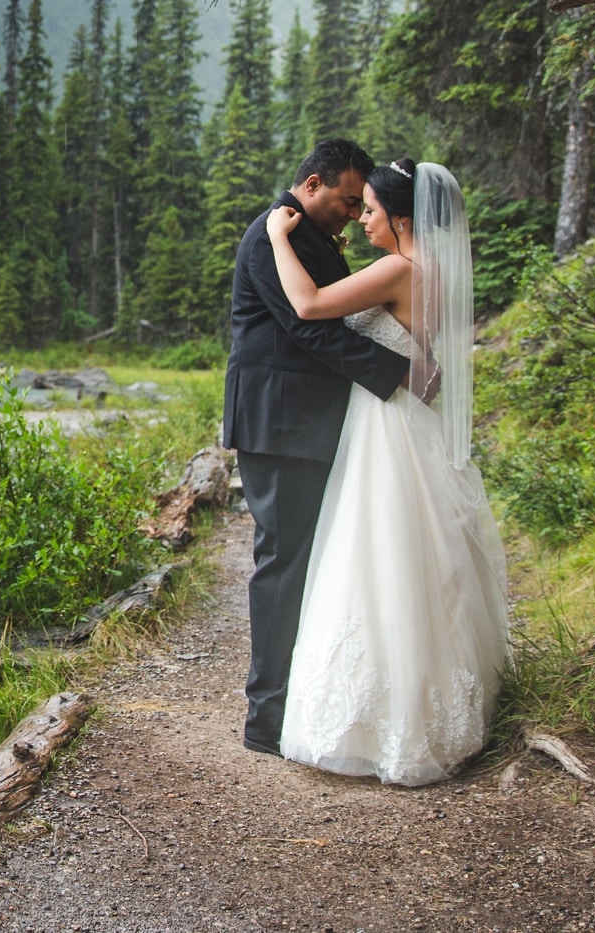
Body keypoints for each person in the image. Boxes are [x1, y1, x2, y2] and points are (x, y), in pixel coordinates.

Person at [263, 157, 513, 784]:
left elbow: (310, 302)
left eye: (370, 210)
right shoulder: (438, 274)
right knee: (424, 563)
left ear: (403, 218)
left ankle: (385, 723)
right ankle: (436, 710)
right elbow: (431, 368)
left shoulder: (398, 269)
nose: (362, 218)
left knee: (379, 557)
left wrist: (275, 236)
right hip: (415, 425)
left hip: (385, 429)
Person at [223, 136, 411, 756]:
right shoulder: (273, 237)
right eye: (345, 200)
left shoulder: (306, 237)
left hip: (306, 425)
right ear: (311, 186)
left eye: (363, 204)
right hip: (281, 426)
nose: (354, 216)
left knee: (311, 561)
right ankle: (265, 719)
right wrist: (402, 373)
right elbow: (313, 332)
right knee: (283, 563)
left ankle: (298, 700)